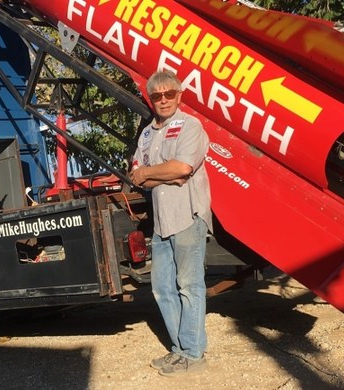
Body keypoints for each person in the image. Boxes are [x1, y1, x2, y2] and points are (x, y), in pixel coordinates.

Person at [129, 70, 211, 377]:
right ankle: (180, 350)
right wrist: (158, 174)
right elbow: (137, 172)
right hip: (162, 221)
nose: (163, 100)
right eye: (157, 96)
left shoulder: (191, 126)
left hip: (187, 215)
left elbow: (183, 167)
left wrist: (154, 172)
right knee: (162, 287)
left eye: (169, 94)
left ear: (180, 96)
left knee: (189, 286)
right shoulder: (148, 133)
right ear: (151, 100)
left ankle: (194, 354)